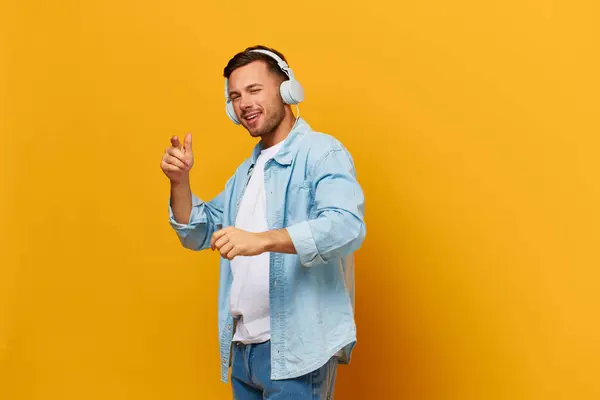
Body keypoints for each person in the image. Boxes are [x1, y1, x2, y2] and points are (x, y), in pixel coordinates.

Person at [160, 45, 366, 399]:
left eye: (254, 90)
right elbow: (198, 230)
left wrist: (264, 240)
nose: (244, 104)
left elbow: (346, 226)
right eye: (235, 96)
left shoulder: (322, 152)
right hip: (244, 350)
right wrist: (180, 182)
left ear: (286, 90)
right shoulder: (246, 173)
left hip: (297, 350)